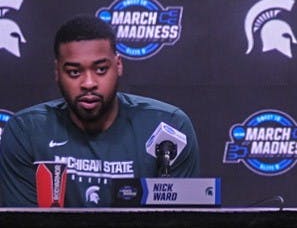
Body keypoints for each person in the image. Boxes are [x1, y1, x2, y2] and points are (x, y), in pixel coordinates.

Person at [0, 15, 200, 207]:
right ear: (57, 72)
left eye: (101, 69)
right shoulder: (26, 132)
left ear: (118, 65)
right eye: (74, 72)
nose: (88, 83)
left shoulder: (169, 128)